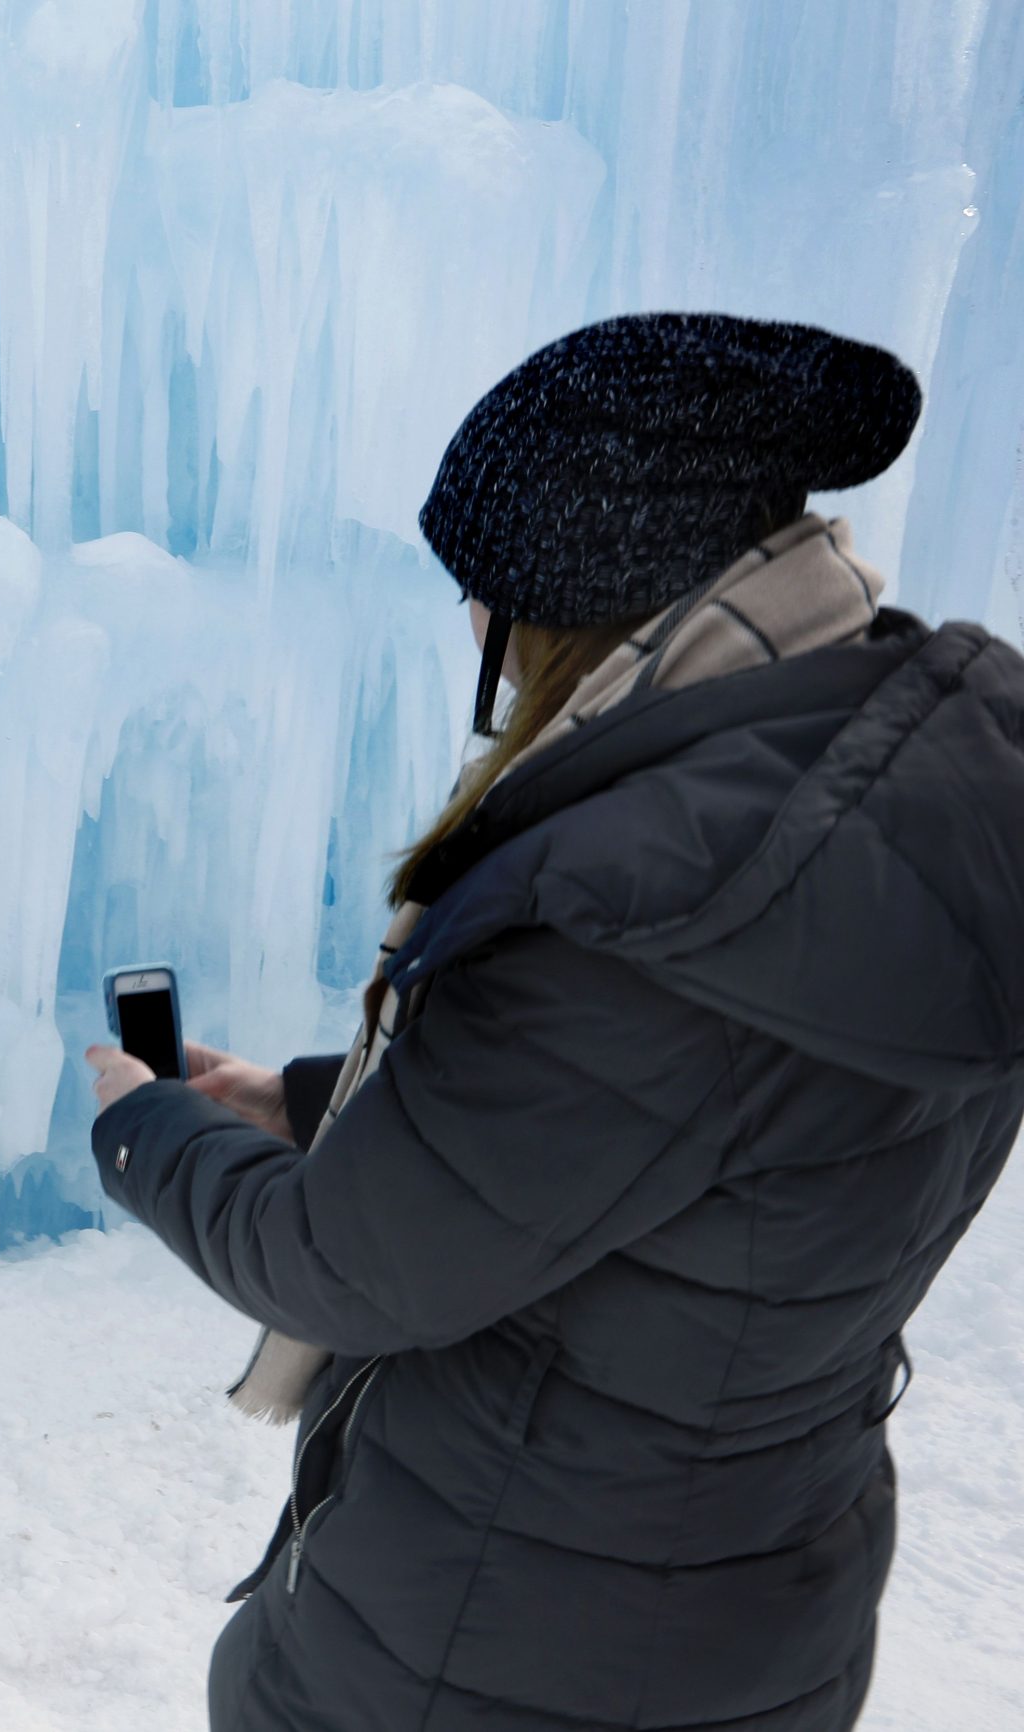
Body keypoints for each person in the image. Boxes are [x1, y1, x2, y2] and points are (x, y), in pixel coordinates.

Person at [84, 314, 1024, 1732]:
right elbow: (686, 1117)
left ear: (588, 586)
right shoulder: (889, 795)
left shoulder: (642, 909)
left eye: (488, 590)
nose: (475, 628)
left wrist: (141, 1128)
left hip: (498, 1644)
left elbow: (344, 1265)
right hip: (757, 1603)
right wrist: (307, 1096)